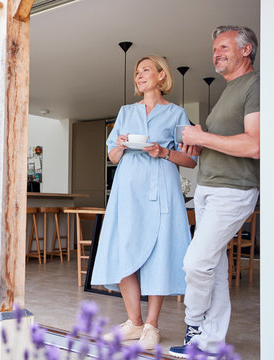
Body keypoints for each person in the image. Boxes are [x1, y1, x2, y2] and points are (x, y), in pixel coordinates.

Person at [91, 55, 197, 350]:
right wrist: (122, 145)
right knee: (124, 248)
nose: (139, 76)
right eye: (137, 72)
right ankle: (134, 322)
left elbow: (190, 159)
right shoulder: (125, 112)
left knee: (159, 252)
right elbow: (111, 155)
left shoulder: (176, 113)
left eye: (145, 70)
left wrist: (163, 152)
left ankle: (152, 325)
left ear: (162, 76)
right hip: (127, 190)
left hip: (161, 187)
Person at [169, 25, 260, 358]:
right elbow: (225, 144)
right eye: (214, 50)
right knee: (214, 268)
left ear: (246, 50)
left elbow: (255, 144)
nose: (215, 54)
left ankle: (194, 326)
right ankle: (211, 343)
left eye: (223, 47)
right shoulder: (229, 90)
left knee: (195, 262)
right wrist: (198, 146)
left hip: (232, 190)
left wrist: (201, 137)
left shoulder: (257, 85)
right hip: (208, 188)